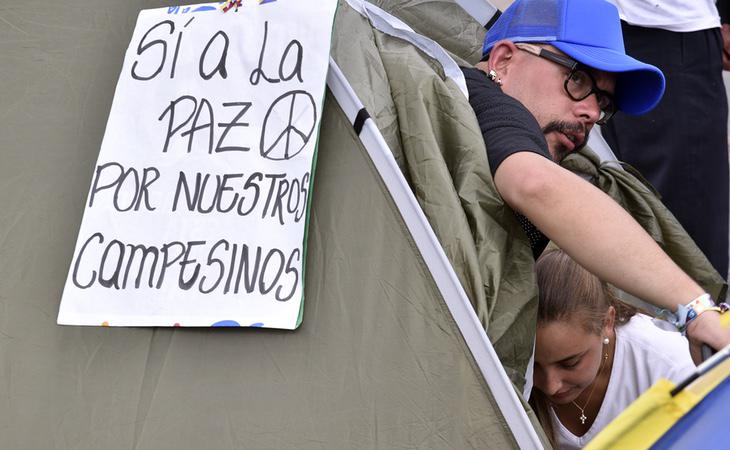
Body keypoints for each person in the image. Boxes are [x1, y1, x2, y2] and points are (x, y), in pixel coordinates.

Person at [461, 0, 730, 360]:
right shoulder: (480, 98)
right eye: (577, 79)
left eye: (604, 101)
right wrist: (694, 308)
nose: (591, 112)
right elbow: (534, 183)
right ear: (503, 60)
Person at [600, 0, 729, 279]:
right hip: (603, 24)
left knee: (685, 225)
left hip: (672, 29)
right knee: (619, 193)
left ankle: (701, 317)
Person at [530, 249, 696, 449]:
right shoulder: (510, 370)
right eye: (534, 366)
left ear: (607, 322)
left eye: (570, 363)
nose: (551, 386)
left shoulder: (671, 366)